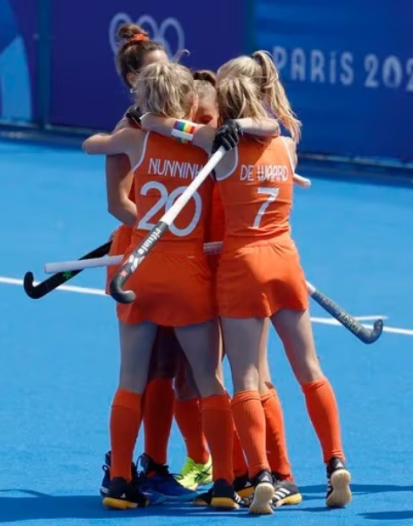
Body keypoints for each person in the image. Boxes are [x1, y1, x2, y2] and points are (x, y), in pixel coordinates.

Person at [137, 51, 352, 515]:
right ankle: (335, 460)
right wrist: (251, 124)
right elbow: (271, 126)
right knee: (310, 370)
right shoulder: (287, 144)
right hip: (286, 260)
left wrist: (153, 117)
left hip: (240, 267)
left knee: (247, 380)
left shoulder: (218, 146)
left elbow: (160, 124)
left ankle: (261, 475)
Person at [83, 61, 274, 510]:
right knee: (209, 379)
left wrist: (139, 120)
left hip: (142, 270)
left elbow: (91, 144)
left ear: (142, 100)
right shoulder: (209, 143)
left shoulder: (135, 139)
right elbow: (259, 131)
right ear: (189, 100)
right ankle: (224, 483)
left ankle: (120, 480)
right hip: (188, 275)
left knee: (131, 379)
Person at [100, 22, 196, 502]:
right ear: (134, 80)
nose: (168, 79)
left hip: (174, 256)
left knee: (168, 368)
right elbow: (118, 204)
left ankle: (154, 464)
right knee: (143, 370)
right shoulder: (129, 131)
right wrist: (160, 223)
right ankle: (121, 468)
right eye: (157, 72)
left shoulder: (178, 123)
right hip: (141, 257)